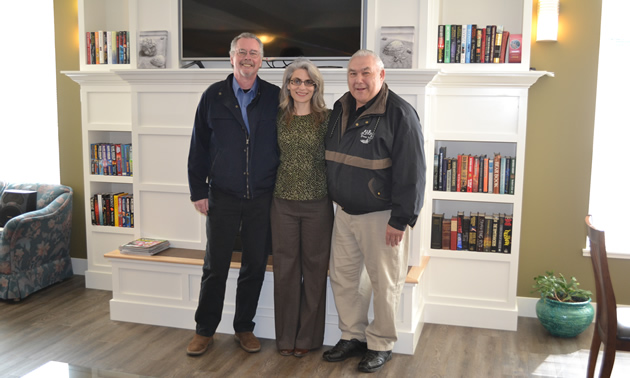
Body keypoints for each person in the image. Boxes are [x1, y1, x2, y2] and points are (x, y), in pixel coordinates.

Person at [322, 49, 426, 373]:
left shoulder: (400, 114)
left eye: (366, 72)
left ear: (381, 75)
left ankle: (381, 343)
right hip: (345, 213)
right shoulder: (339, 108)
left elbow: (413, 172)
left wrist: (401, 219)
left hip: (382, 218)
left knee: (385, 283)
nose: (359, 80)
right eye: (353, 73)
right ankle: (352, 336)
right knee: (345, 279)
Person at [186, 32, 280, 356]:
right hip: (222, 196)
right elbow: (198, 146)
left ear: (261, 59)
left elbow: (285, 148)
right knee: (216, 266)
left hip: (262, 197)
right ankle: (204, 330)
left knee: (254, 265)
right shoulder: (213, 95)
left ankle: (244, 327)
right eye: (242, 52)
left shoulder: (274, 97)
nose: (248, 58)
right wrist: (198, 190)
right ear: (231, 57)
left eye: (254, 53)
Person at [271, 59, 333, 358]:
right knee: (284, 272)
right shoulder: (278, 118)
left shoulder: (328, 119)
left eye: (309, 82)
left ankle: (306, 338)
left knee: (315, 272)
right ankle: (284, 338)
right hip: (282, 203)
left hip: (318, 205)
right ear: (287, 85)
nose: (302, 87)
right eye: (296, 81)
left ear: (316, 87)